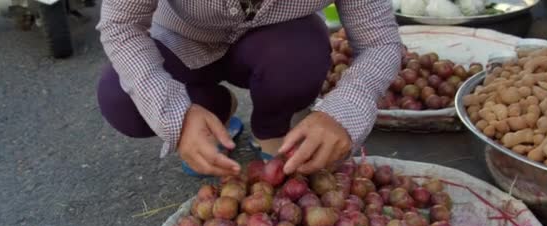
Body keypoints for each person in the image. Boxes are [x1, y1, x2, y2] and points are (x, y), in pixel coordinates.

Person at [96, 0, 401, 177]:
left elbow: (379, 41)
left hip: (278, 43)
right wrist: (175, 115)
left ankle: (273, 129)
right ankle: (214, 109)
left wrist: (345, 109)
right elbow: (121, 24)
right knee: (122, 99)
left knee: (299, 57)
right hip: (184, 39)